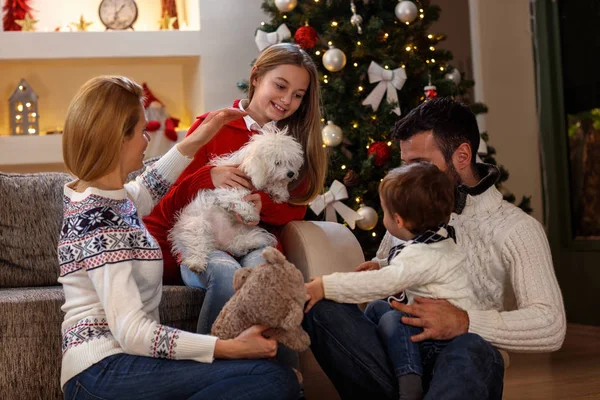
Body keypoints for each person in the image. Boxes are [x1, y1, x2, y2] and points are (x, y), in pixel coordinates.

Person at [302, 97, 566, 400]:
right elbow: (392, 273)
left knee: (473, 347)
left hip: (462, 364)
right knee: (319, 305)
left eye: (422, 165)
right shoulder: (410, 205)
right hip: (401, 360)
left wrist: (466, 322)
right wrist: (380, 268)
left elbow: (551, 325)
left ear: (463, 155)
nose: (410, 176)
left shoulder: (518, 229)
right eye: (406, 165)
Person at [58, 75, 300, 399]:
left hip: (125, 363)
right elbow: (132, 332)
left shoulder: (113, 197)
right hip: (103, 373)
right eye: (142, 131)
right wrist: (227, 348)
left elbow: (150, 186)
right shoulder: (98, 219)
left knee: (271, 378)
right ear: (117, 138)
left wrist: (198, 138)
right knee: (272, 381)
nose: (148, 140)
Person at [143, 43, 326, 339]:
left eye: (298, 95)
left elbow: (296, 207)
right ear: (256, 78)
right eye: (280, 86)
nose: (286, 100)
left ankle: (272, 378)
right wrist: (208, 176)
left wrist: (263, 203)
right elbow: (169, 201)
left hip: (251, 242)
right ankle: (217, 366)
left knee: (265, 278)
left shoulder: (293, 141)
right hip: (203, 240)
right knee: (226, 275)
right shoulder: (212, 125)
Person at [305, 162, 491, 400]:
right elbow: (417, 265)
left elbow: (385, 282)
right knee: (378, 308)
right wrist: (382, 263)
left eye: (383, 212)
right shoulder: (440, 241)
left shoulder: (421, 255)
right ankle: (389, 360)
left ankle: (409, 381)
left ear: (398, 221)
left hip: (434, 344)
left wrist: (324, 286)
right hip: (436, 337)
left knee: (394, 317)